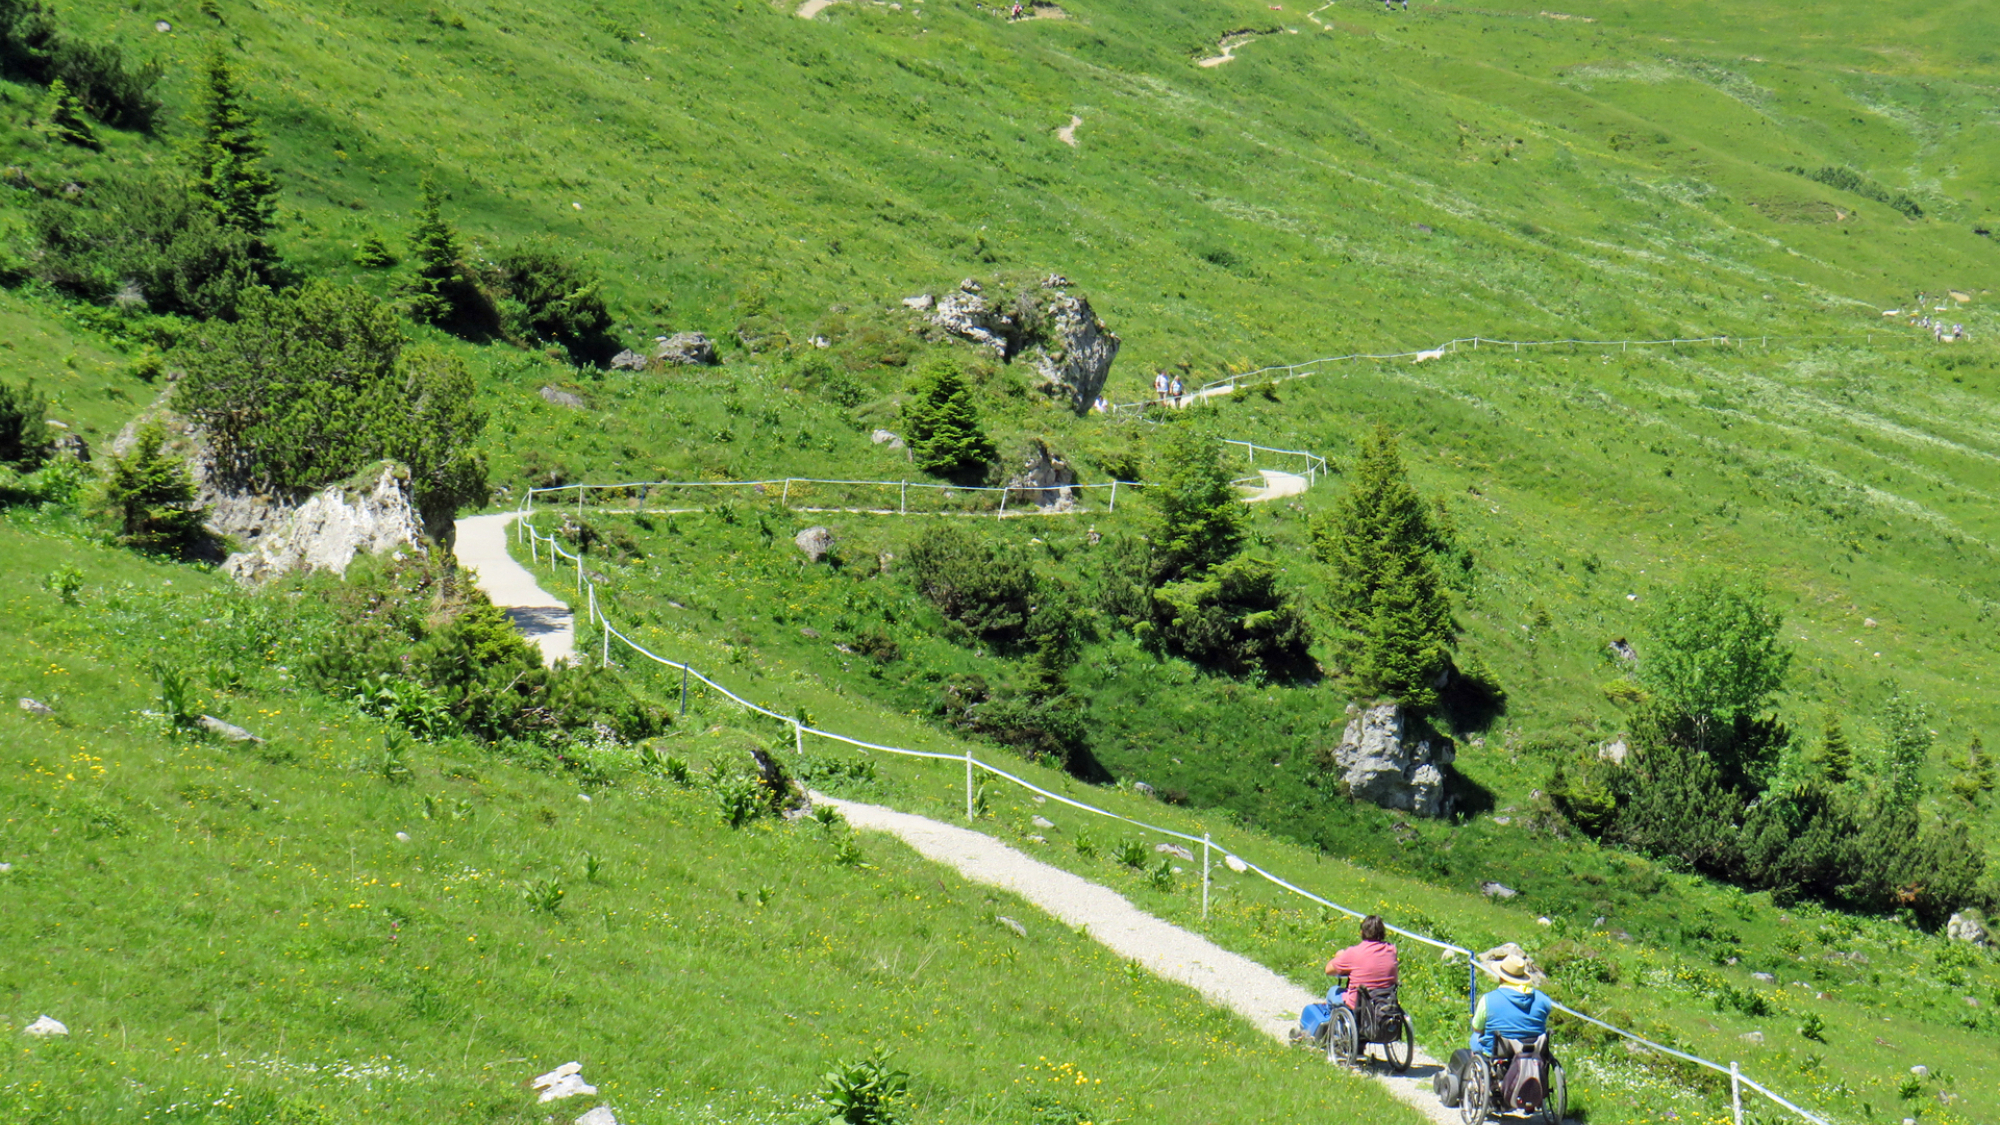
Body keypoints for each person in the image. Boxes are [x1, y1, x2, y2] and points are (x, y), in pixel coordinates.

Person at [1436, 952, 1554, 1107]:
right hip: (1534, 1049)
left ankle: (1480, 1081)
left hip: (1501, 1051)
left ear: (1502, 977)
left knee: (1475, 1038)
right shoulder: (1543, 999)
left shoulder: (1489, 999)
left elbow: (1477, 1027)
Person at [1293, 915, 1398, 1043]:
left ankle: (1337, 1034)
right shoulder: (1392, 950)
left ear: (1362, 932)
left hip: (1360, 1004)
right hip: (1385, 1002)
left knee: (1333, 992)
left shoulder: (1354, 953)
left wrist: (1339, 957)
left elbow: (1328, 970)